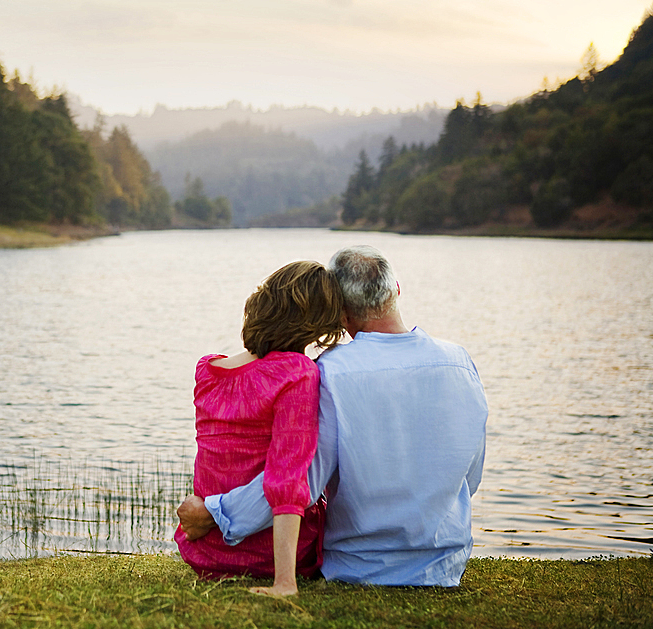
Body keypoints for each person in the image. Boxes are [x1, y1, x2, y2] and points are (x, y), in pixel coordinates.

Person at [177, 245, 489, 587]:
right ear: (396, 288)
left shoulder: (333, 372)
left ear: (339, 314)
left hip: (357, 565)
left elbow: (303, 480)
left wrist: (215, 513)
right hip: (443, 563)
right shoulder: (459, 361)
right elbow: (470, 475)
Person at [174, 260, 344, 597]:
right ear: (315, 324)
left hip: (205, 551)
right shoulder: (297, 372)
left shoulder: (207, 370)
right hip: (271, 556)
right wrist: (285, 582)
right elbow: (287, 478)